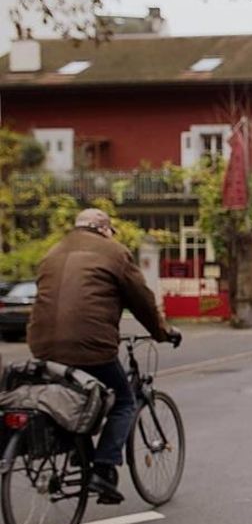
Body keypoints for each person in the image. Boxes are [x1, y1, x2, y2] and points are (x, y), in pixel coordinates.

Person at [27, 208, 181, 504]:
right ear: (103, 229)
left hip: (43, 346)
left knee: (76, 394)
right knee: (124, 401)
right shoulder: (115, 253)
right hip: (89, 345)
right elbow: (142, 301)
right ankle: (103, 469)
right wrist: (163, 332)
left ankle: (79, 451)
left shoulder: (52, 252)